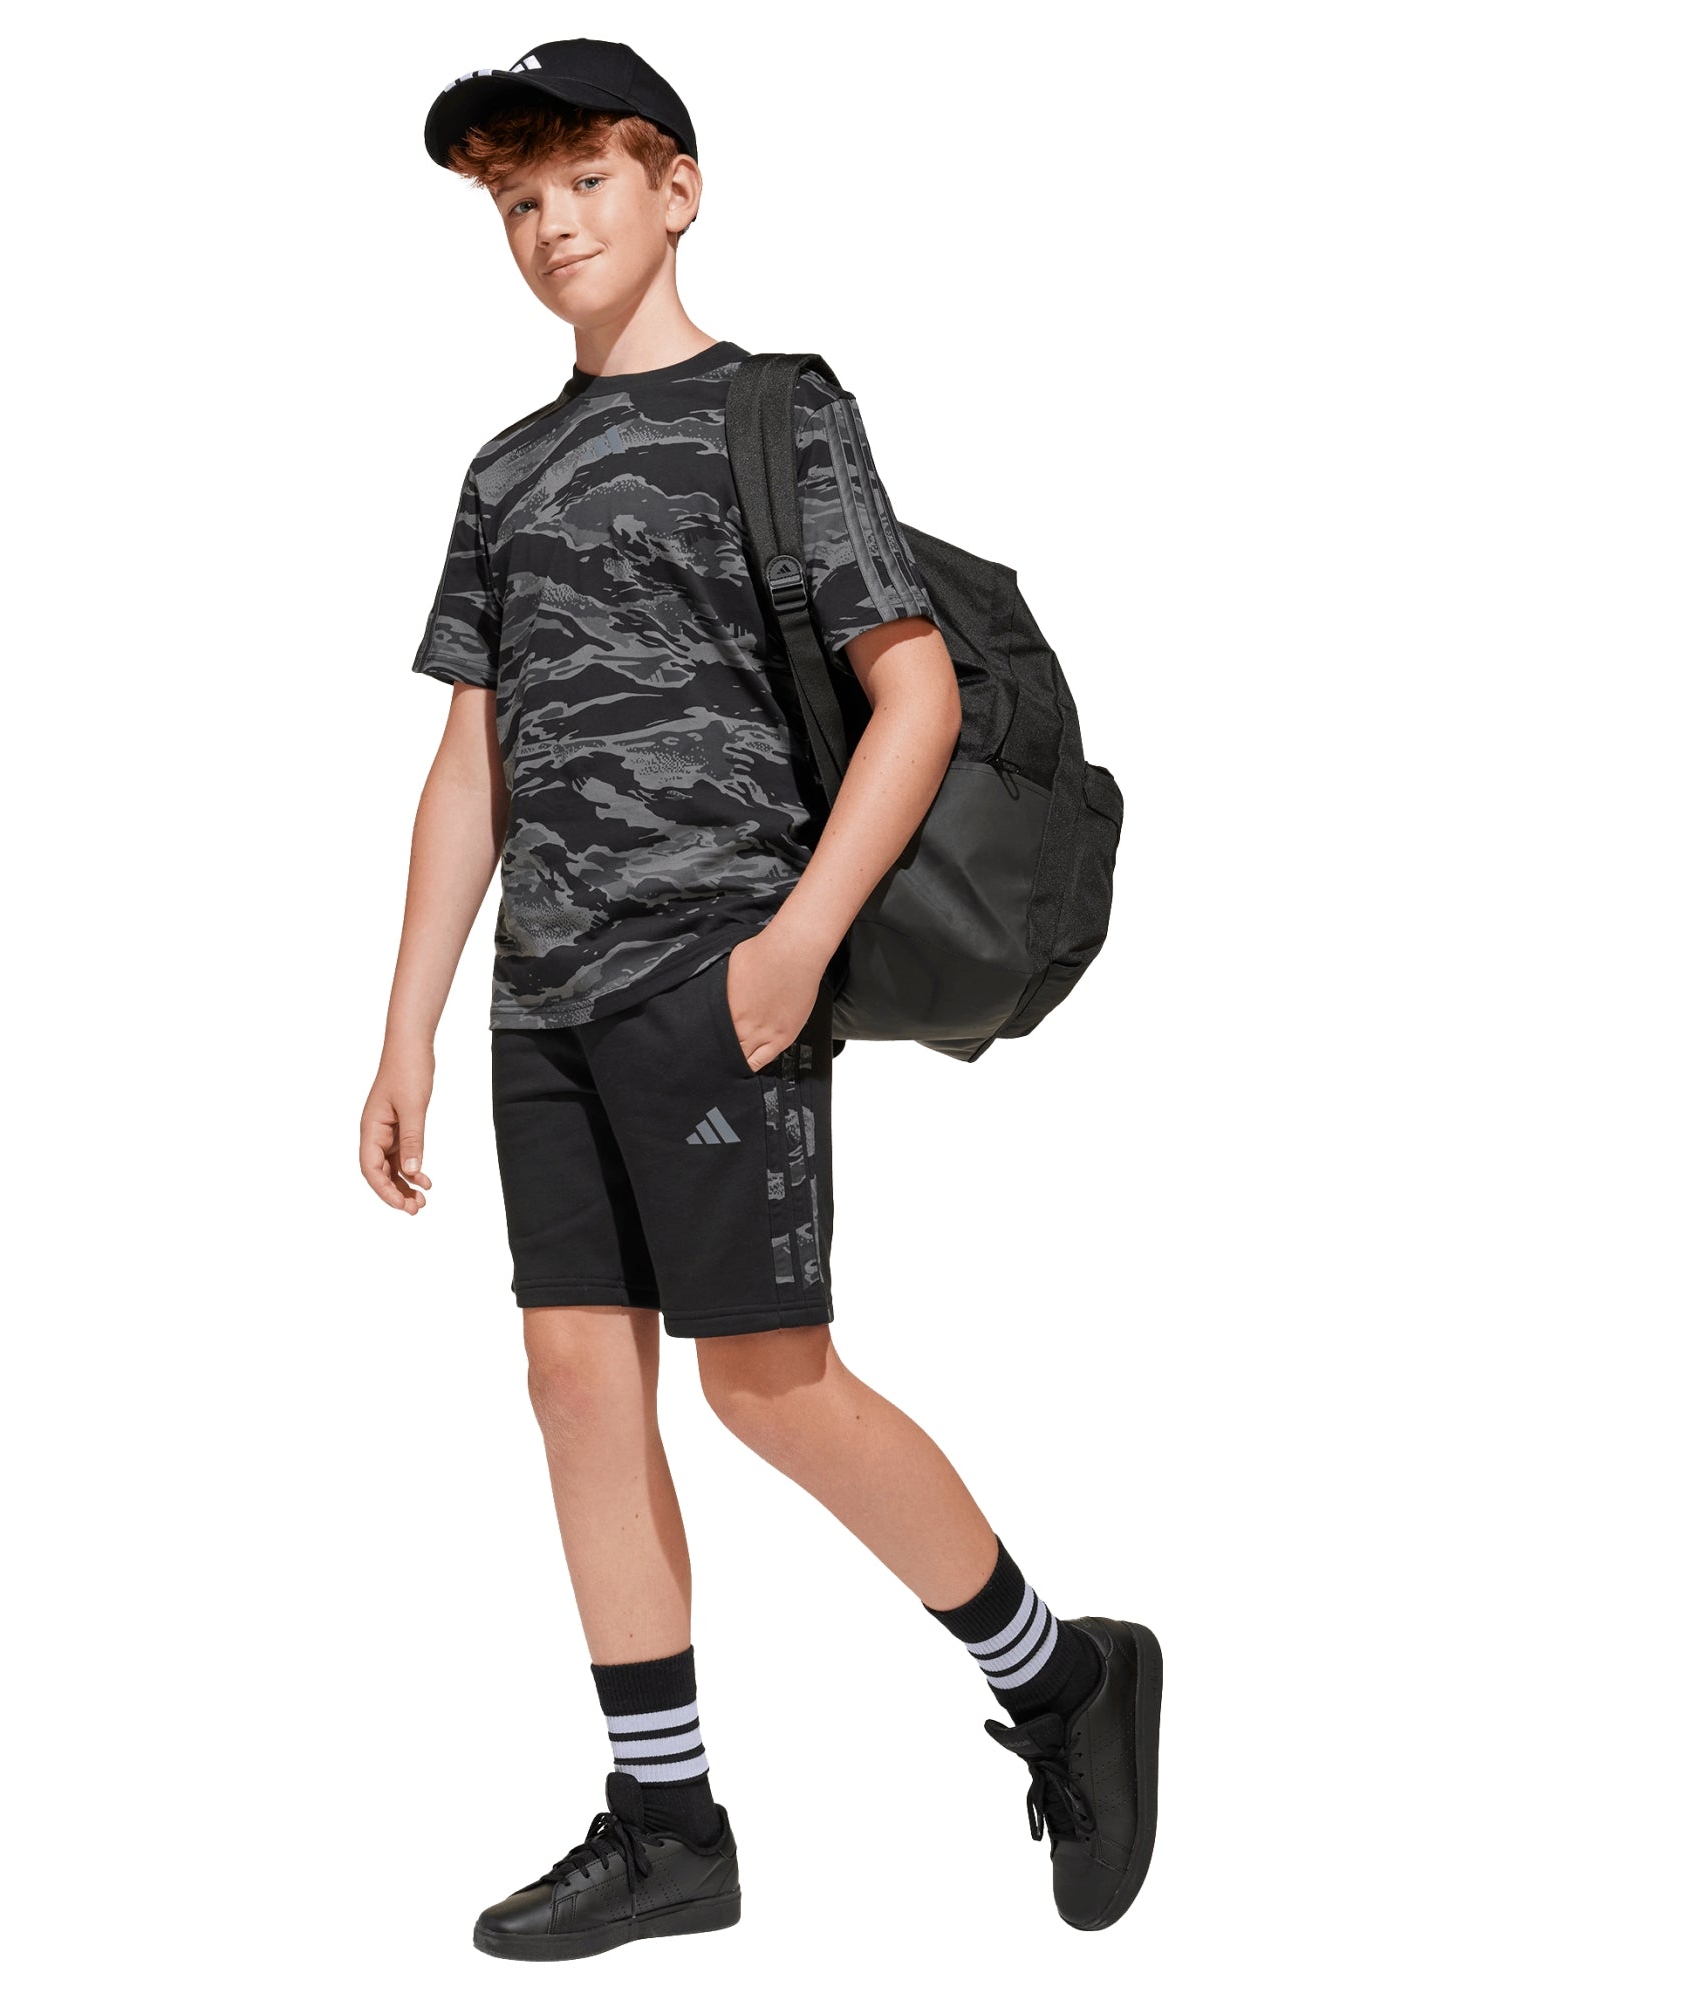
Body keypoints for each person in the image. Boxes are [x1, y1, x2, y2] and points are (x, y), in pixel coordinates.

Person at [359, 38, 1160, 1962]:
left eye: (586, 181)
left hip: (721, 971)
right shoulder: (503, 472)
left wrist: (795, 943)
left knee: (768, 1387)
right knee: (574, 1382)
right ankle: (667, 1825)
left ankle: (1064, 1677)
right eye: (517, 200)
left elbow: (916, 693)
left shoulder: (777, 412)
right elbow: (472, 763)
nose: (552, 224)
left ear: (677, 190)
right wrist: (405, 1027)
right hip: (544, 1000)